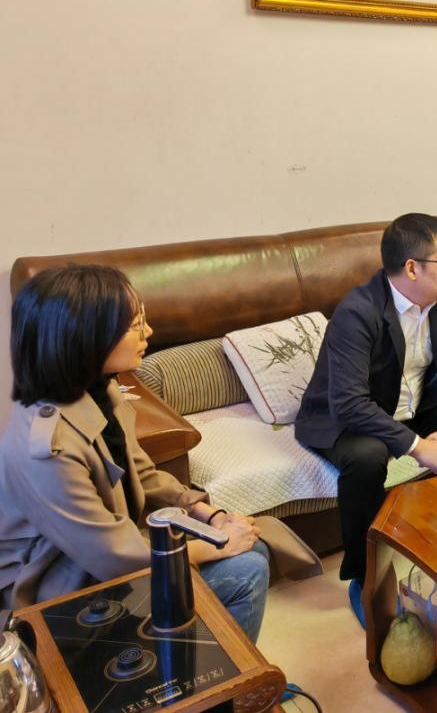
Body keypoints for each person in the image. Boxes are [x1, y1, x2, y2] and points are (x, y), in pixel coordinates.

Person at [0, 266, 269, 643]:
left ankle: (190, 661)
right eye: (134, 325)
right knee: (246, 570)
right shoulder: (47, 450)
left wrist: (209, 515)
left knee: (258, 549)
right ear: (86, 336)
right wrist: (219, 544)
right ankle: (200, 679)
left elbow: (141, 474)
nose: (149, 332)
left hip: (96, 563)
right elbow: (114, 559)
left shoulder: (100, 392)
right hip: (60, 596)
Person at [294, 213, 437, 625]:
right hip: (348, 417)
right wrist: (419, 447)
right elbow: (349, 403)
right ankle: (364, 575)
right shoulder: (357, 312)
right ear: (412, 268)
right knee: (366, 457)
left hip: (415, 405)